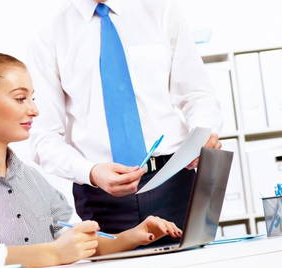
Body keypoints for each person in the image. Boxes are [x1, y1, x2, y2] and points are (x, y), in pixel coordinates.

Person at [0, 52, 182, 268]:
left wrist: (135, 235)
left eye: (33, 98)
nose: (34, 110)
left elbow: (75, 244)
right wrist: (51, 253)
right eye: (21, 98)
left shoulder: (32, 180)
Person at [28, 0, 222, 242]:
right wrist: (91, 172)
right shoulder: (50, 33)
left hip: (174, 182)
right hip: (99, 195)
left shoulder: (161, 10)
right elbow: (43, 136)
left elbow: (196, 94)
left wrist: (202, 134)